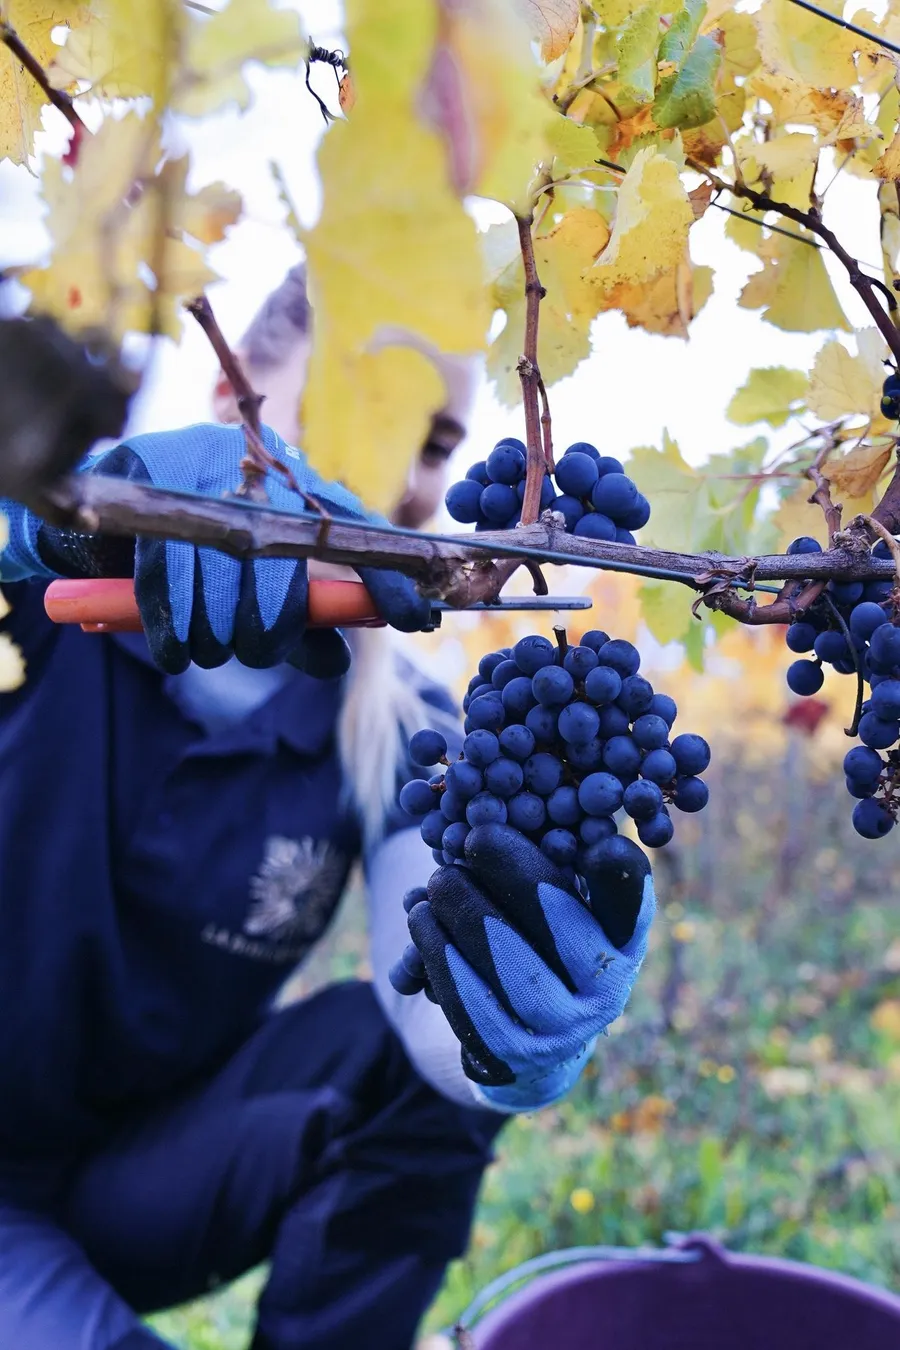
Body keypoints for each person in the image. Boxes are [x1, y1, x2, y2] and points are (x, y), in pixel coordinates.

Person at [0, 265, 656, 1350]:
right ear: (233, 403)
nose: (404, 469)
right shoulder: (35, 616)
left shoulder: (408, 730)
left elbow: (431, 1035)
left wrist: (513, 1031)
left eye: (438, 442)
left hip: (137, 1186)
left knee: (386, 1044)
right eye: (374, 402)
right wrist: (68, 517)